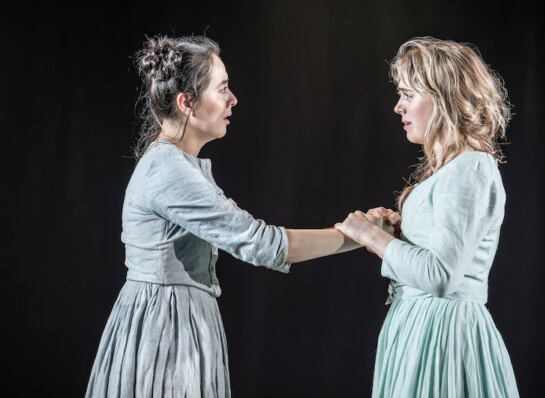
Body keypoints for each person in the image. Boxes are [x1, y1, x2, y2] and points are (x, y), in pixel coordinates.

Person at [85, 35, 359, 398]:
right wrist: (355, 234)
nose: (233, 99)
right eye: (222, 88)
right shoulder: (168, 171)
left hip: (180, 319)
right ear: (186, 103)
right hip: (166, 330)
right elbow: (261, 243)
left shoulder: (176, 164)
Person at [335, 37, 519, 397]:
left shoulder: (469, 168)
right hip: (424, 329)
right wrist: (399, 235)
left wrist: (372, 236)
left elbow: (440, 276)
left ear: (444, 98)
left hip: (444, 337)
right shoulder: (453, 169)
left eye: (408, 95)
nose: (398, 107)